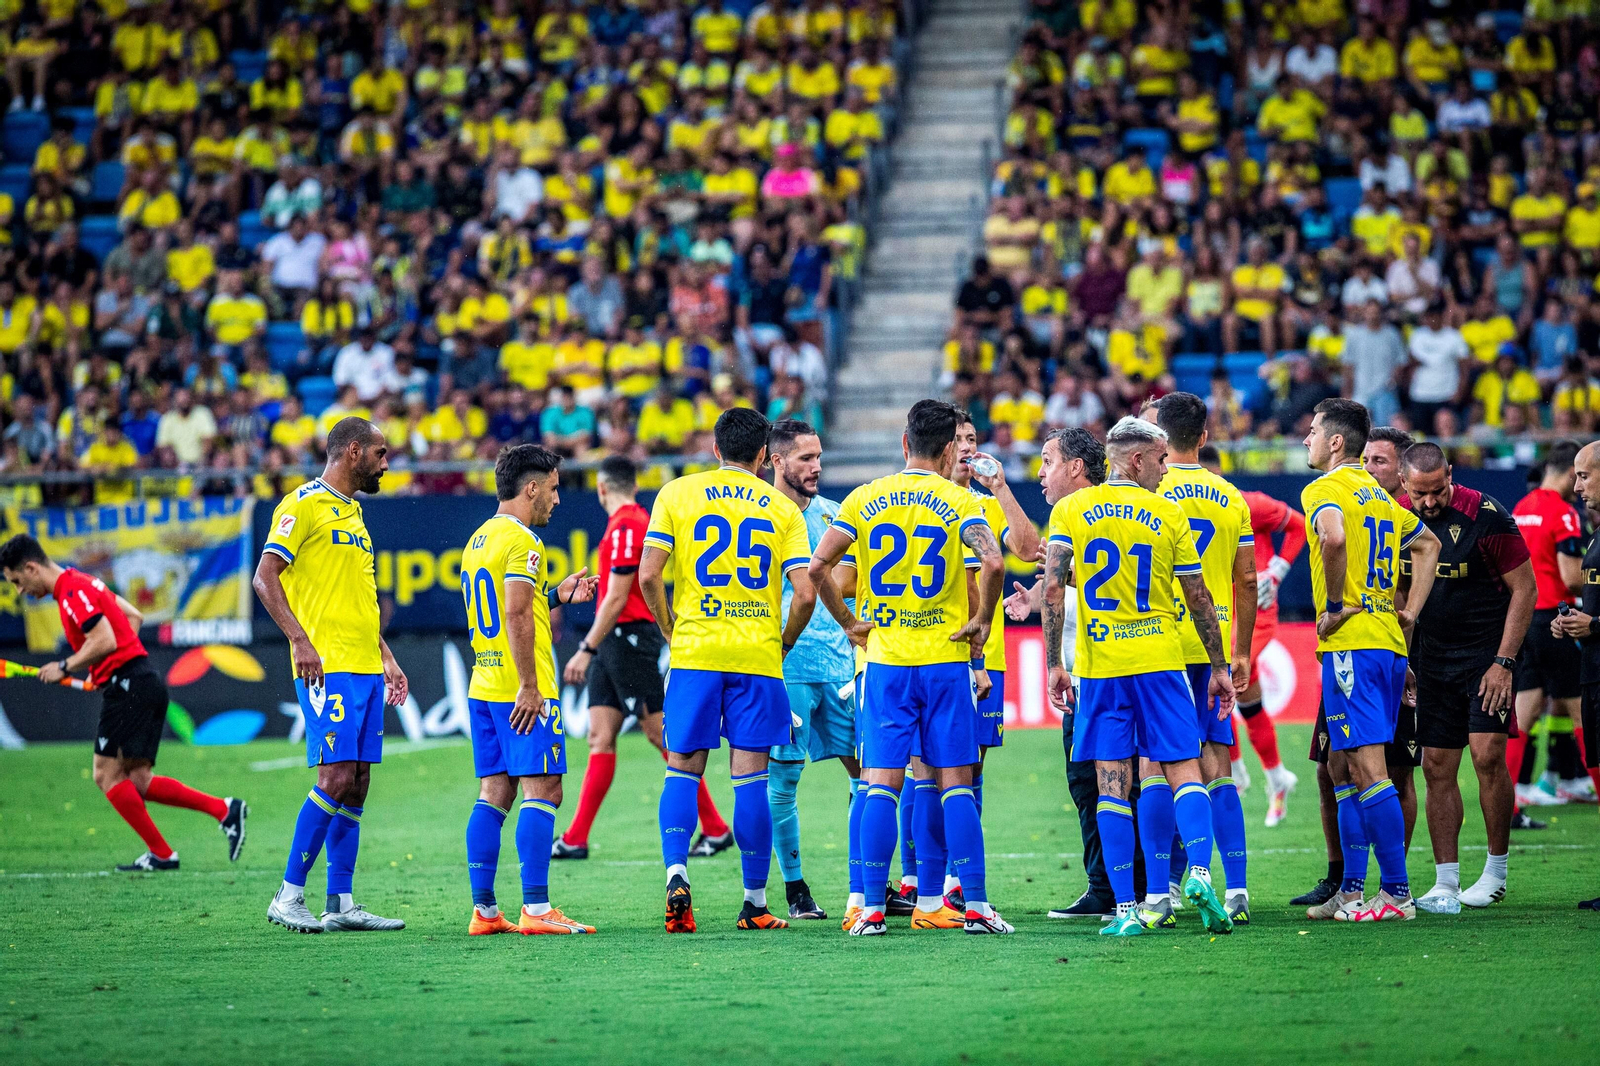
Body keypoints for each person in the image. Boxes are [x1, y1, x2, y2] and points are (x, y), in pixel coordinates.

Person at [808, 400, 1010, 936]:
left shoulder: (863, 498)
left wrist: (851, 622)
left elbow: (817, 568)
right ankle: (973, 908)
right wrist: (983, 621)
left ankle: (871, 908)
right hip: (944, 663)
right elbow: (992, 560)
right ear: (949, 451)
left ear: (904, 443)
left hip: (886, 663)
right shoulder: (959, 500)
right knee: (956, 785)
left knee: (880, 784)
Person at [1042, 415, 1237, 938]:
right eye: (1159, 460)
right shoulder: (1167, 513)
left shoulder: (1071, 509)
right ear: (1135, 459)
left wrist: (1054, 665)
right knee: (1182, 770)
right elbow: (1198, 597)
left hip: (1102, 668)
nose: (1165, 469)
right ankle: (1197, 872)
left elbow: (1055, 588)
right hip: (1161, 662)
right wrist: (1218, 668)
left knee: (1112, 782)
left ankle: (1126, 909)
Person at [638, 408, 816, 932]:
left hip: (696, 654)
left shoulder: (677, 493)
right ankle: (756, 904)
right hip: (756, 659)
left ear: (715, 450)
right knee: (752, 781)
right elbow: (804, 592)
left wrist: (672, 629)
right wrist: (781, 642)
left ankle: (677, 874)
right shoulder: (783, 510)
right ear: (764, 455)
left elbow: (649, 574)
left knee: (682, 770)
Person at [0, 536, 246, 872]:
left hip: (130, 686)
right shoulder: (84, 583)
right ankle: (224, 810)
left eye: (17, 581)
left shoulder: (72, 593)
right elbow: (133, 616)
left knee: (106, 775)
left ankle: (162, 853)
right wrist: (106, 668)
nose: (19, 590)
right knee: (139, 778)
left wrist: (65, 666)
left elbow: (105, 638)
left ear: (30, 567)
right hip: (139, 681)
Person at [255, 417, 410, 934]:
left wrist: (386, 656)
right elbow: (264, 577)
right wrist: (300, 639)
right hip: (328, 665)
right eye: (380, 453)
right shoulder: (302, 504)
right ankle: (288, 895)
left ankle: (340, 903)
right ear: (352, 450)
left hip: (364, 665)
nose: (386, 464)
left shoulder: (355, 513)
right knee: (335, 776)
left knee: (359, 783)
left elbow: (360, 600)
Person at [1300, 399, 1441, 923]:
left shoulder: (1325, 490)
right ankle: (1353, 890)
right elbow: (1426, 545)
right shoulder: (1382, 498)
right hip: (1386, 640)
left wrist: (1335, 607)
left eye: (1313, 431)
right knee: (1343, 765)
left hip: (1352, 643)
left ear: (1336, 442)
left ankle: (1396, 894)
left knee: (1367, 766)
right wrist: (1409, 613)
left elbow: (1332, 537)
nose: (1306, 440)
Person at [555, 457, 733, 860]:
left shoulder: (626, 526)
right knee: (600, 736)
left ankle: (717, 828)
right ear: (633, 485)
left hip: (629, 641)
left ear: (602, 489)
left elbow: (618, 597)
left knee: (660, 735)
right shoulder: (632, 521)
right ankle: (576, 838)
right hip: (615, 643)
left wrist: (585, 649)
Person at [460, 444, 598, 936]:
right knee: (545, 791)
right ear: (532, 487)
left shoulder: (479, 539)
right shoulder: (524, 542)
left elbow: (513, 604)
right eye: (555, 489)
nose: (558, 500)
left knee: (494, 793)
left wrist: (557, 594)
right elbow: (515, 613)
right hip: (523, 689)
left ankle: (485, 912)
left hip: (484, 683)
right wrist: (529, 686)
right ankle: (537, 910)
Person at [1399, 443, 1535, 914]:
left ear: (1450, 475)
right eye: (1420, 493)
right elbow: (1398, 596)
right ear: (1404, 483)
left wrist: (1504, 663)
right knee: (1436, 766)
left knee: (1487, 756)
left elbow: (1526, 590)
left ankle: (1495, 874)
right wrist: (1404, 661)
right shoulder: (1396, 518)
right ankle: (1445, 882)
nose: (1430, 502)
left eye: (1437, 491)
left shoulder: (1488, 516)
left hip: (1485, 658)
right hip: (1432, 661)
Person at [1147, 394, 1257, 928]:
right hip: (1213, 646)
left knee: (1161, 765)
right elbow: (1248, 579)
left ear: (1159, 440)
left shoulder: (1150, 492)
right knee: (1218, 766)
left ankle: (1163, 889)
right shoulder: (1231, 496)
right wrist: (1239, 652)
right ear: (1205, 438)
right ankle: (1234, 887)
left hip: (1159, 644)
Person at [765, 420, 858, 921]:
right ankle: (795, 889)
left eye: (818, 456)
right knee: (784, 777)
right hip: (788, 666)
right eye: (804, 458)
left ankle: (868, 882)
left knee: (872, 773)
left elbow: (850, 577)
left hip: (840, 664)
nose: (816, 466)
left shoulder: (834, 514)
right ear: (776, 461)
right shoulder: (762, 516)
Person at [1198, 444, 1303, 828]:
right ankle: (1276, 778)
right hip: (1221, 613)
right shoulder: (1174, 505)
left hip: (1253, 613)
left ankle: (1238, 773)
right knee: (1249, 700)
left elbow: (1300, 526)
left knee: (1220, 682)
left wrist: (1275, 571)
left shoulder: (1246, 503)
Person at [1510, 441, 1593, 808]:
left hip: (1523, 619)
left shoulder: (1520, 508)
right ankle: (1585, 784)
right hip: (1557, 620)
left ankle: (1510, 800)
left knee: (1523, 715)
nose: (1580, 486)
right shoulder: (1563, 513)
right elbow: (1571, 577)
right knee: (1583, 712)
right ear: (1569, 472)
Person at [1551, 442, 1600, 909]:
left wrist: (1596, 625)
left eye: (1584, 475)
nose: (1577, 484)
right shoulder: (1594, 535)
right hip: (1593, 671)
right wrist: (1574, 622)